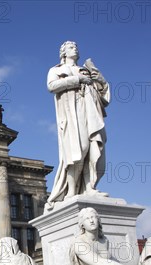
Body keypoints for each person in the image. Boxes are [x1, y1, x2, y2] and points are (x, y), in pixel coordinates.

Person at [46, 41, 110, 210]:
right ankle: (71, 191)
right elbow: (52, 86)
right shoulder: (56, 70)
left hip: (90, 111)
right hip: (71, 113)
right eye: (71, 47)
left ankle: (90, 188)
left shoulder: (86, 70)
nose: (75, 48)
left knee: (92, 148)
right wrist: (77, 79)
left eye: (76, 47)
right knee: (77, 149)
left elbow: (104, 96)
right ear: (63, 52)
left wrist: (100, 80)